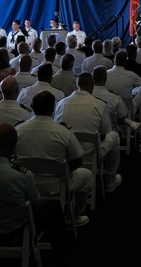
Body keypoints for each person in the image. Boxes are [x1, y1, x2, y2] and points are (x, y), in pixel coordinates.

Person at [0, 123, 71, 267]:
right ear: (14, 146)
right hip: (15, 233)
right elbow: (35, 202)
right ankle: (60, 264)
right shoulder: (23, 175)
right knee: (53, 206)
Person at [15, 91, 92, 227]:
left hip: (23, 185)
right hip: (56, 186)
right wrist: (64, 170)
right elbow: (77, 161)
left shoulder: (17, 130)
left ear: (32, 106)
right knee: (87, 175)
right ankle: (73, 216)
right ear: (53, 109)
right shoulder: (63, 131)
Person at [54, 72, 122, 193]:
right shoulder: (100, 104)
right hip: (91, 152)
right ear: (92, 87)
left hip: (67, 153)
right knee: (115, 136)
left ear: (75, 87)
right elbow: (104, 133)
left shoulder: (60, 104)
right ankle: (110, 181)